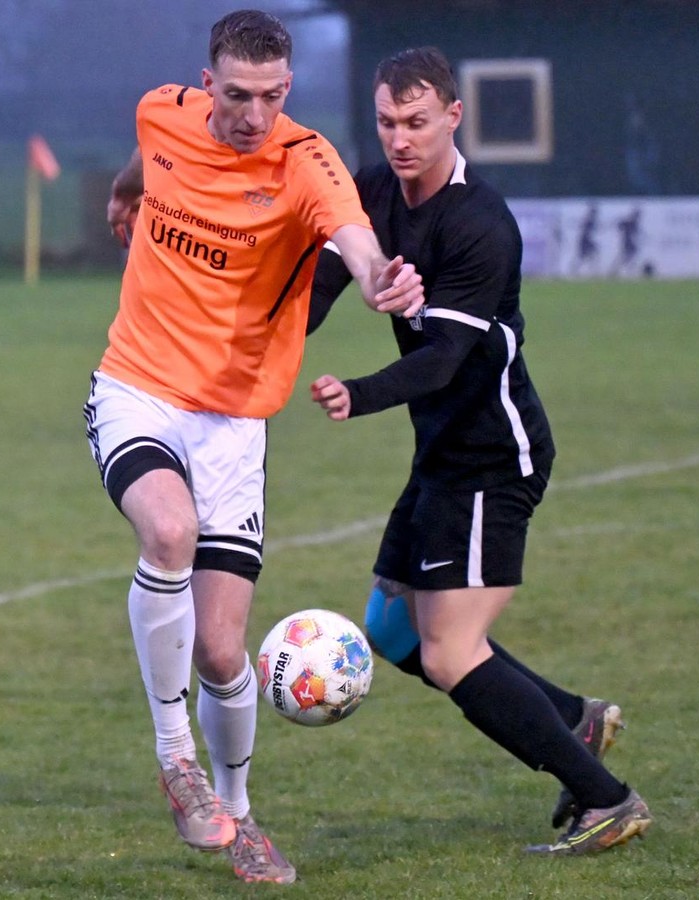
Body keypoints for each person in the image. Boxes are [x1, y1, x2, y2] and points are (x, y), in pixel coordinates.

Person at [85, 9, 424, 885]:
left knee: (224, 652)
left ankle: (236, 817)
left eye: (272, 96)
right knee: (167, 532)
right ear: (208, 85)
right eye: (237, 96)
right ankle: (176, 760)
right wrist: (128, 189)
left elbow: (353, 238)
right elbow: (147, 154)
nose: (252, 115)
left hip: (234, 421)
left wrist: (383, 278)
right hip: (139, 387)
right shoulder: (160, 111)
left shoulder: (306, 164)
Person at [306, 47, 652, 855]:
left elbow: (442, 362)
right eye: (388, 121)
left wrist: (358, 392)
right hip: (440, 457)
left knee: (451, 651)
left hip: (493, 461)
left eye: (417, 122)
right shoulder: (374, 192)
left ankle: (608, 799)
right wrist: (264, 348)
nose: (400, 138)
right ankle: (572, 719)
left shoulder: (479, 223)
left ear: (454, 117)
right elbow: (324, 279)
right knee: (391, 631)